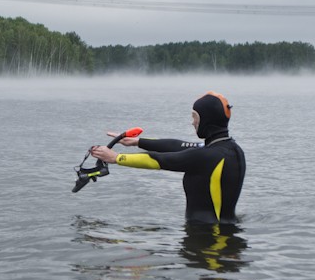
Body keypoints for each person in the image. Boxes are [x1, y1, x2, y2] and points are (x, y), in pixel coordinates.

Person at [90, 91, 245, 224]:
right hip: (224, 232)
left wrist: (116, 158)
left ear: (207, 119)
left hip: (207, 239)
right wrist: (137, 142)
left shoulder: (207, 155)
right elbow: (177, 146)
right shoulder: (230, 149)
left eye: (195, 117)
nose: (192, 123)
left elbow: (159, 160)